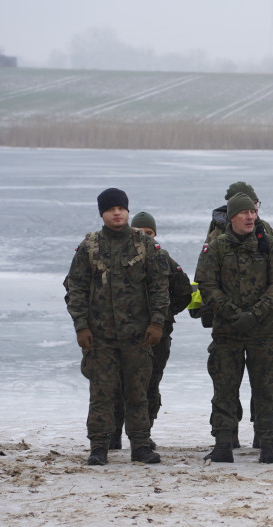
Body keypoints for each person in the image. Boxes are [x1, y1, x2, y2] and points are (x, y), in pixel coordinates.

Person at [65, 188, 169, 465]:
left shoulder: (144, 245)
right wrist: (81, 326)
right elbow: (75, 287)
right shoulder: (89, 247)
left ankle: (141, 445)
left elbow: (159, 286)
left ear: (127, 211)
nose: (117, 213)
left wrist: (157, 323)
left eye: (121, 208)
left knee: (138, 392)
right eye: (111, 209)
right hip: (100, 336)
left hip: (137, 335)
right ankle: (99, 446)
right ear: (102, 213)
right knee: (101, 393)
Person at [196, 193, 273, 464]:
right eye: (244, 213)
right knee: (224, 388)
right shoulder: (216, 247)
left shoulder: (268, 244)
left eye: (253, 212)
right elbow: (206, 285)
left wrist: (256, 313)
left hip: (263, 330)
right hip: (227, 331)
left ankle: (268, 443)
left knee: (265, 388)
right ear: (232, 217)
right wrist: (232, 313)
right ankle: (223, 443)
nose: (250, 217)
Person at [106, 211, 193, 450]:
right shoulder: (119, 257)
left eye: (150, 232)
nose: (145, 236)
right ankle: (114, 433)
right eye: (140, 232)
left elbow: (185, 291)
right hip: (124, 333)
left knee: (150, 385)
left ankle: (144, 432)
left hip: (157, 336)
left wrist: (165, 315)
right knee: (119, 384)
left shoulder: (164, 259)